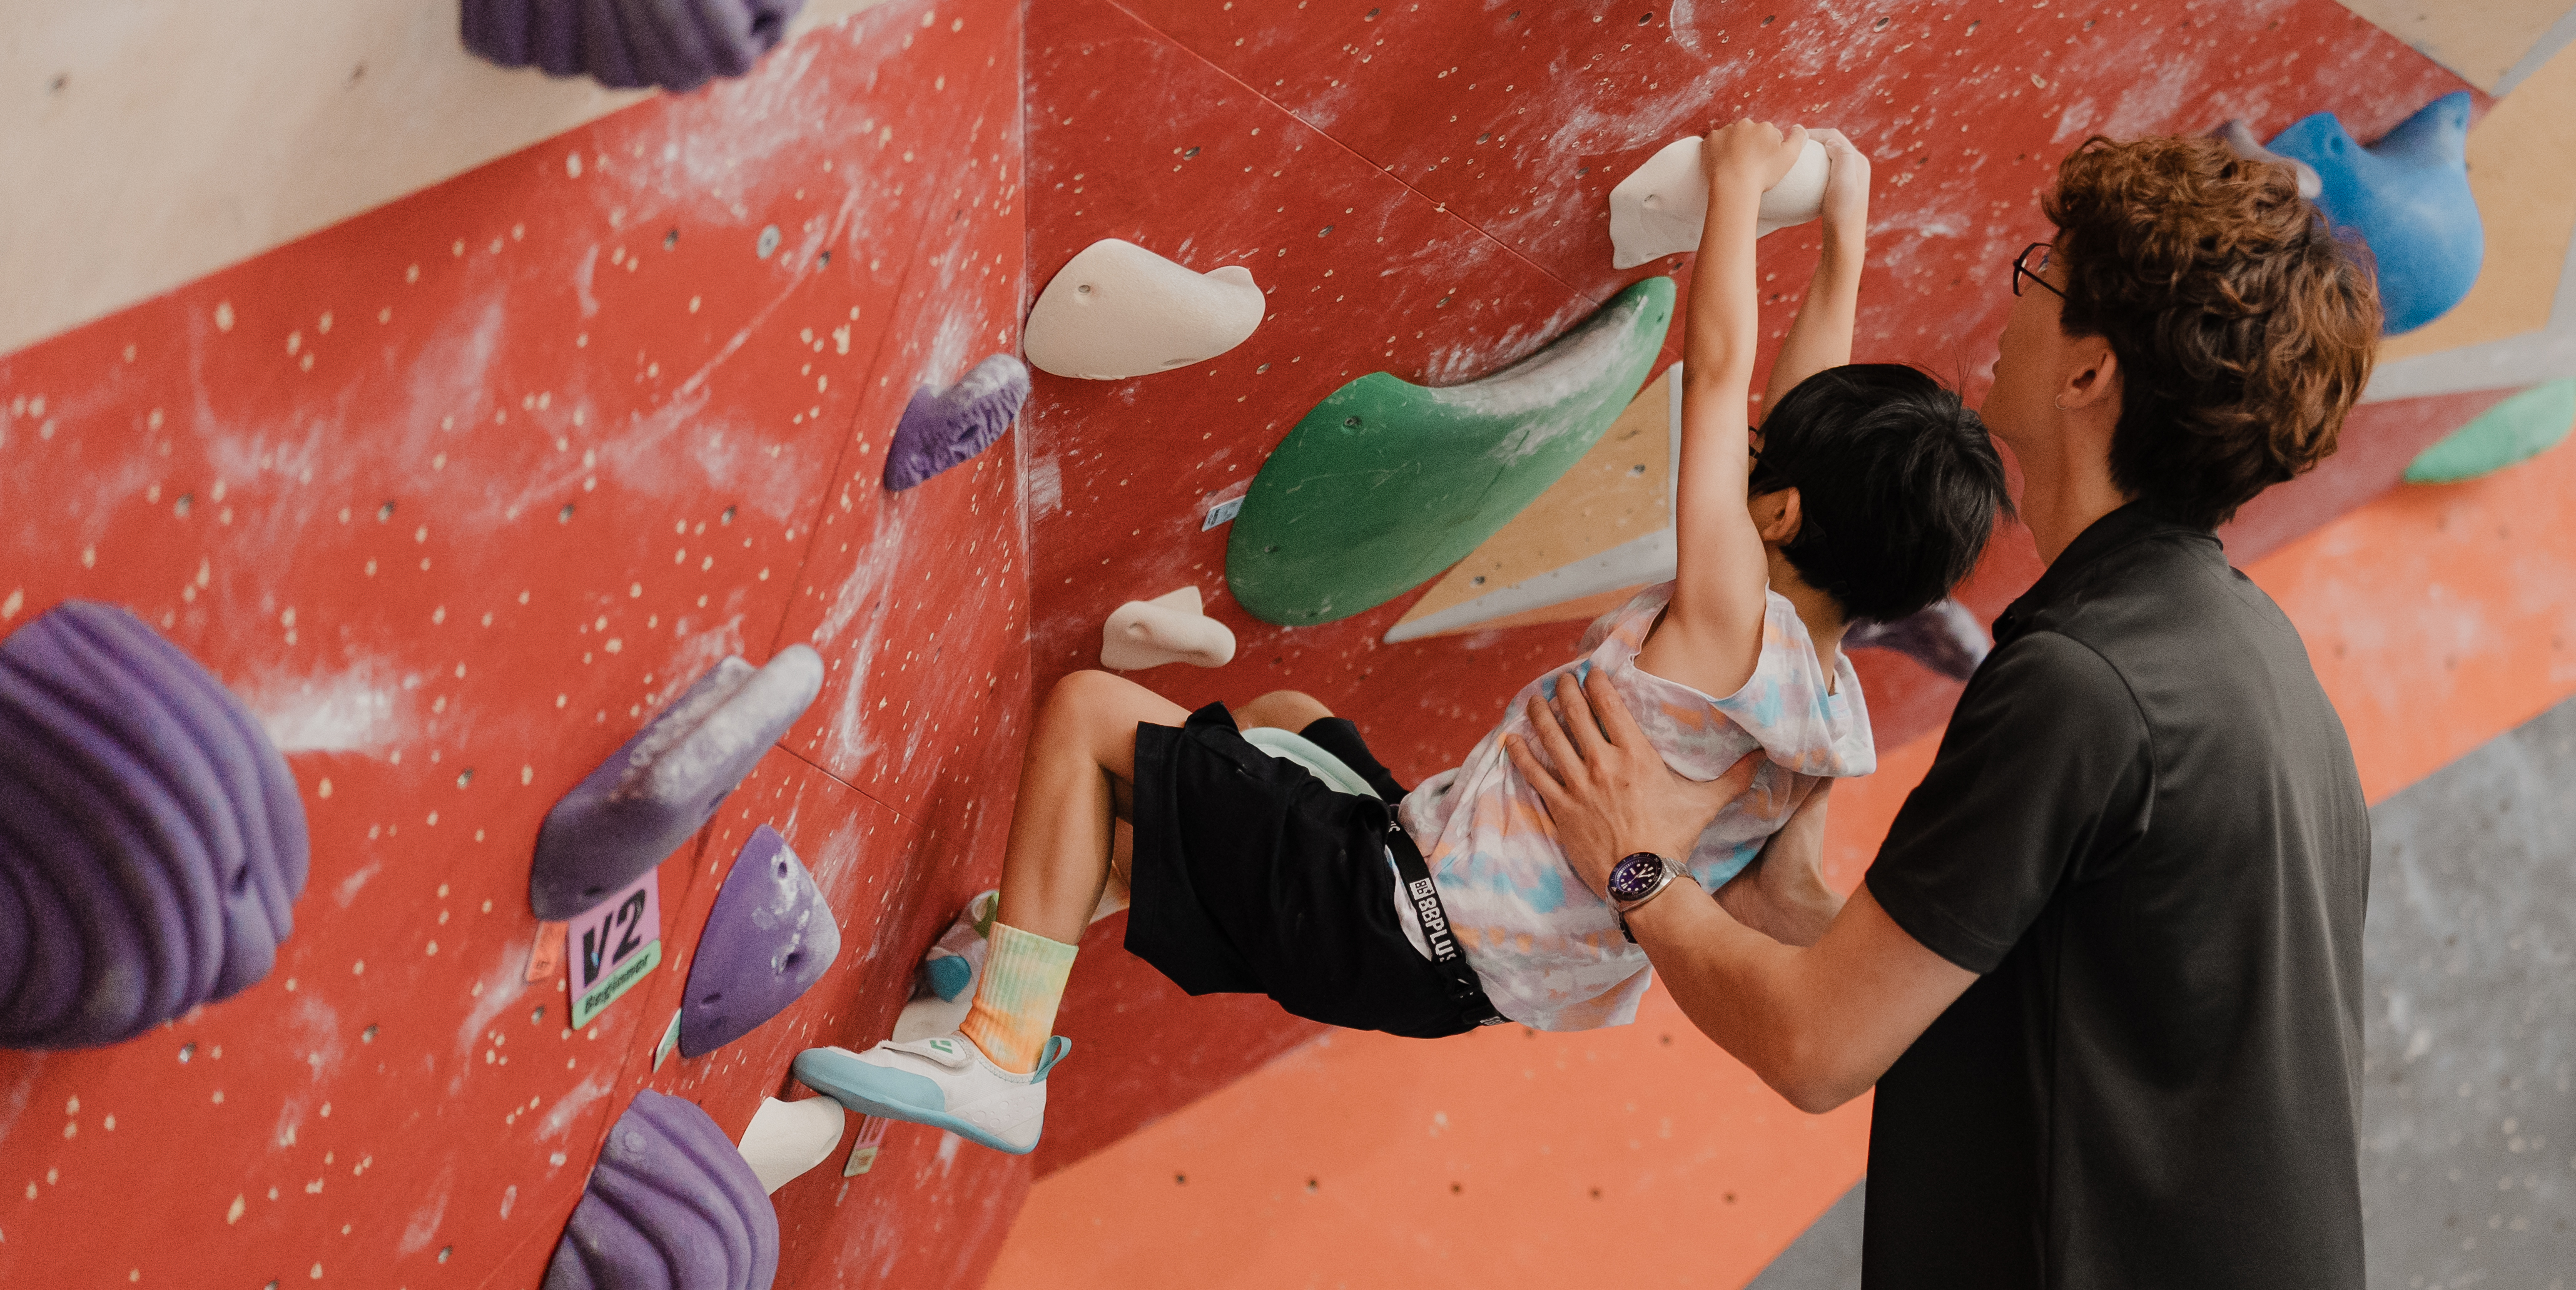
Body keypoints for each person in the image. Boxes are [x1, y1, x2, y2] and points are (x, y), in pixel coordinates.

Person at [1518, 132, 2383, 1290]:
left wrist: (1629, 860)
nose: (2008, 305)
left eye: (2033, 279)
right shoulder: (2234, 655)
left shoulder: (2084, 683)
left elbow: (1816, 1046)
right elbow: (1970, 993)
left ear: (2088, 367)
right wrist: (1758, 891)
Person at [789, 118, 2006, 1155]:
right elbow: (1796, 424)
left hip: (1396, 908)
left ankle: (1001, 1053)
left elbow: (1724, 374)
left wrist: (1740, 190)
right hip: (1451, 955)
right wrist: (1846, 223)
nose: (1744, 455)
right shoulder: (1820, 698)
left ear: (1781, 513)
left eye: (1758, 470)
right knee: (1279, 723)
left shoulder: (1724, 624)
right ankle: (1016, 936)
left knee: (1092, 715)